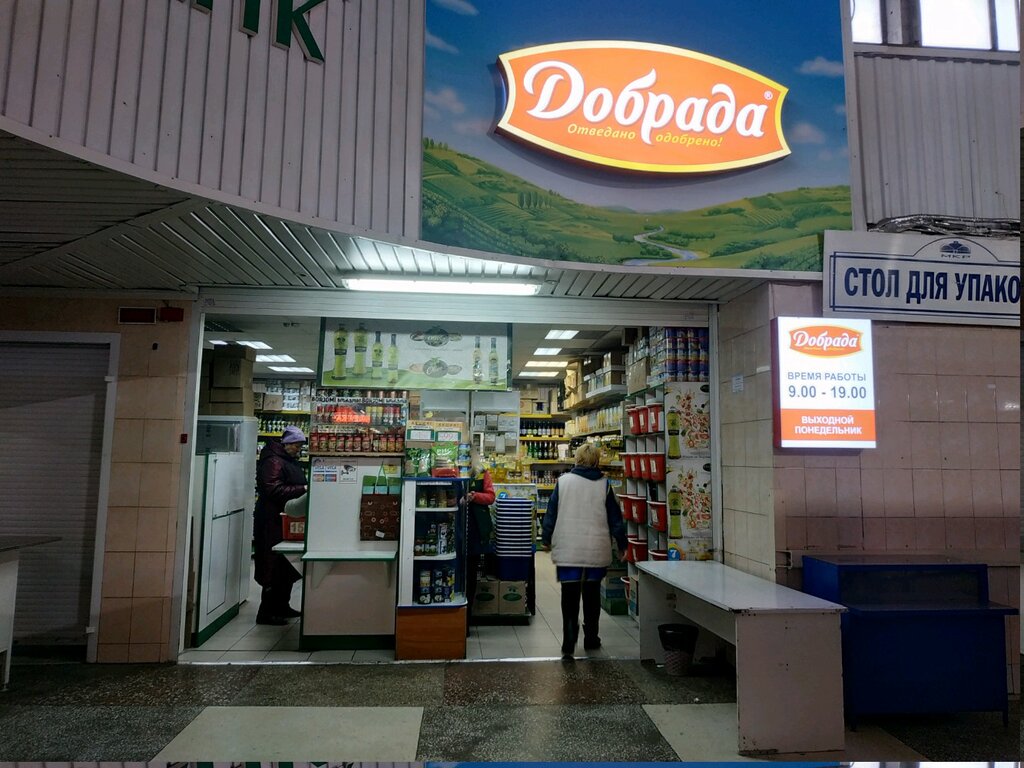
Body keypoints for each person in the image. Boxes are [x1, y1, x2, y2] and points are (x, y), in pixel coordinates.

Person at [541, 442, 627, 660]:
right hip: (595, 549)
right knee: (592, 594)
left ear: (577, 459)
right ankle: (591, 637)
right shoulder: (604, 485)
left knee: (569, 595)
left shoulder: (563, 482)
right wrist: (622, 545)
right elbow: (615, 519)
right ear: (596, 461)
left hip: (568, 549)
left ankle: (569, 640)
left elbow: (551, 513)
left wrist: (546, 539)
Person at [253, 425, 308, 625]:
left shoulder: (286, 459)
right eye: (297, 446)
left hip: (284, 518)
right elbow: (273, 490)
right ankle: (266, 612)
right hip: (271, 520)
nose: (299, 450)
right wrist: (303, 488)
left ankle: (282, 606)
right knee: (272, 565)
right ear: (287, 443)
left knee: (286, 566)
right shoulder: (273, 461)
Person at [464, 448, 495, 627]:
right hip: (458, 527)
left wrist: (474, 496)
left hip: (476, 529)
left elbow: (491, 497)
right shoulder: (450, 470)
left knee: (471, 572)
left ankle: (467, 616)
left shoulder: (482, 473)